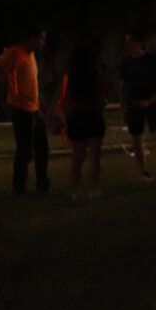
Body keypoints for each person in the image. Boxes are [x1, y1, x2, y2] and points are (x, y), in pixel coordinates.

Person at [0, 25, 50, 194]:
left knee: (42, 148)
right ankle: (19, 187)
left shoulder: (31, 56)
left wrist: (41, 106)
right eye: (41, 39)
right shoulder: (15, 53)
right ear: (32, 38)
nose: (43, 43)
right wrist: (3, 100)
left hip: (34, 110)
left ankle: (42, 184)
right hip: (21, 110)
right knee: (24, 150)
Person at [119, 32, 156, 178]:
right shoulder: (126, 62)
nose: (128, 46)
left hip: (152, 104)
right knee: (136, 138)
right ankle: (143, 171)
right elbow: (123, 84)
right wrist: (122, 103)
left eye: (130, 42)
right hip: (133, 104)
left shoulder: (152, 60)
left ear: (139, 42)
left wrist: (150, 100)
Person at [58, 45, 107, 200]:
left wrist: (66, 123)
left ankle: (75, 189)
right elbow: (102, 100)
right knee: (95, 157)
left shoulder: (70, 78)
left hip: (77, 118)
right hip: (93, 116)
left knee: (77, 157)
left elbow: (65, 101)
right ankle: (95, 188)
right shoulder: (96, 76)